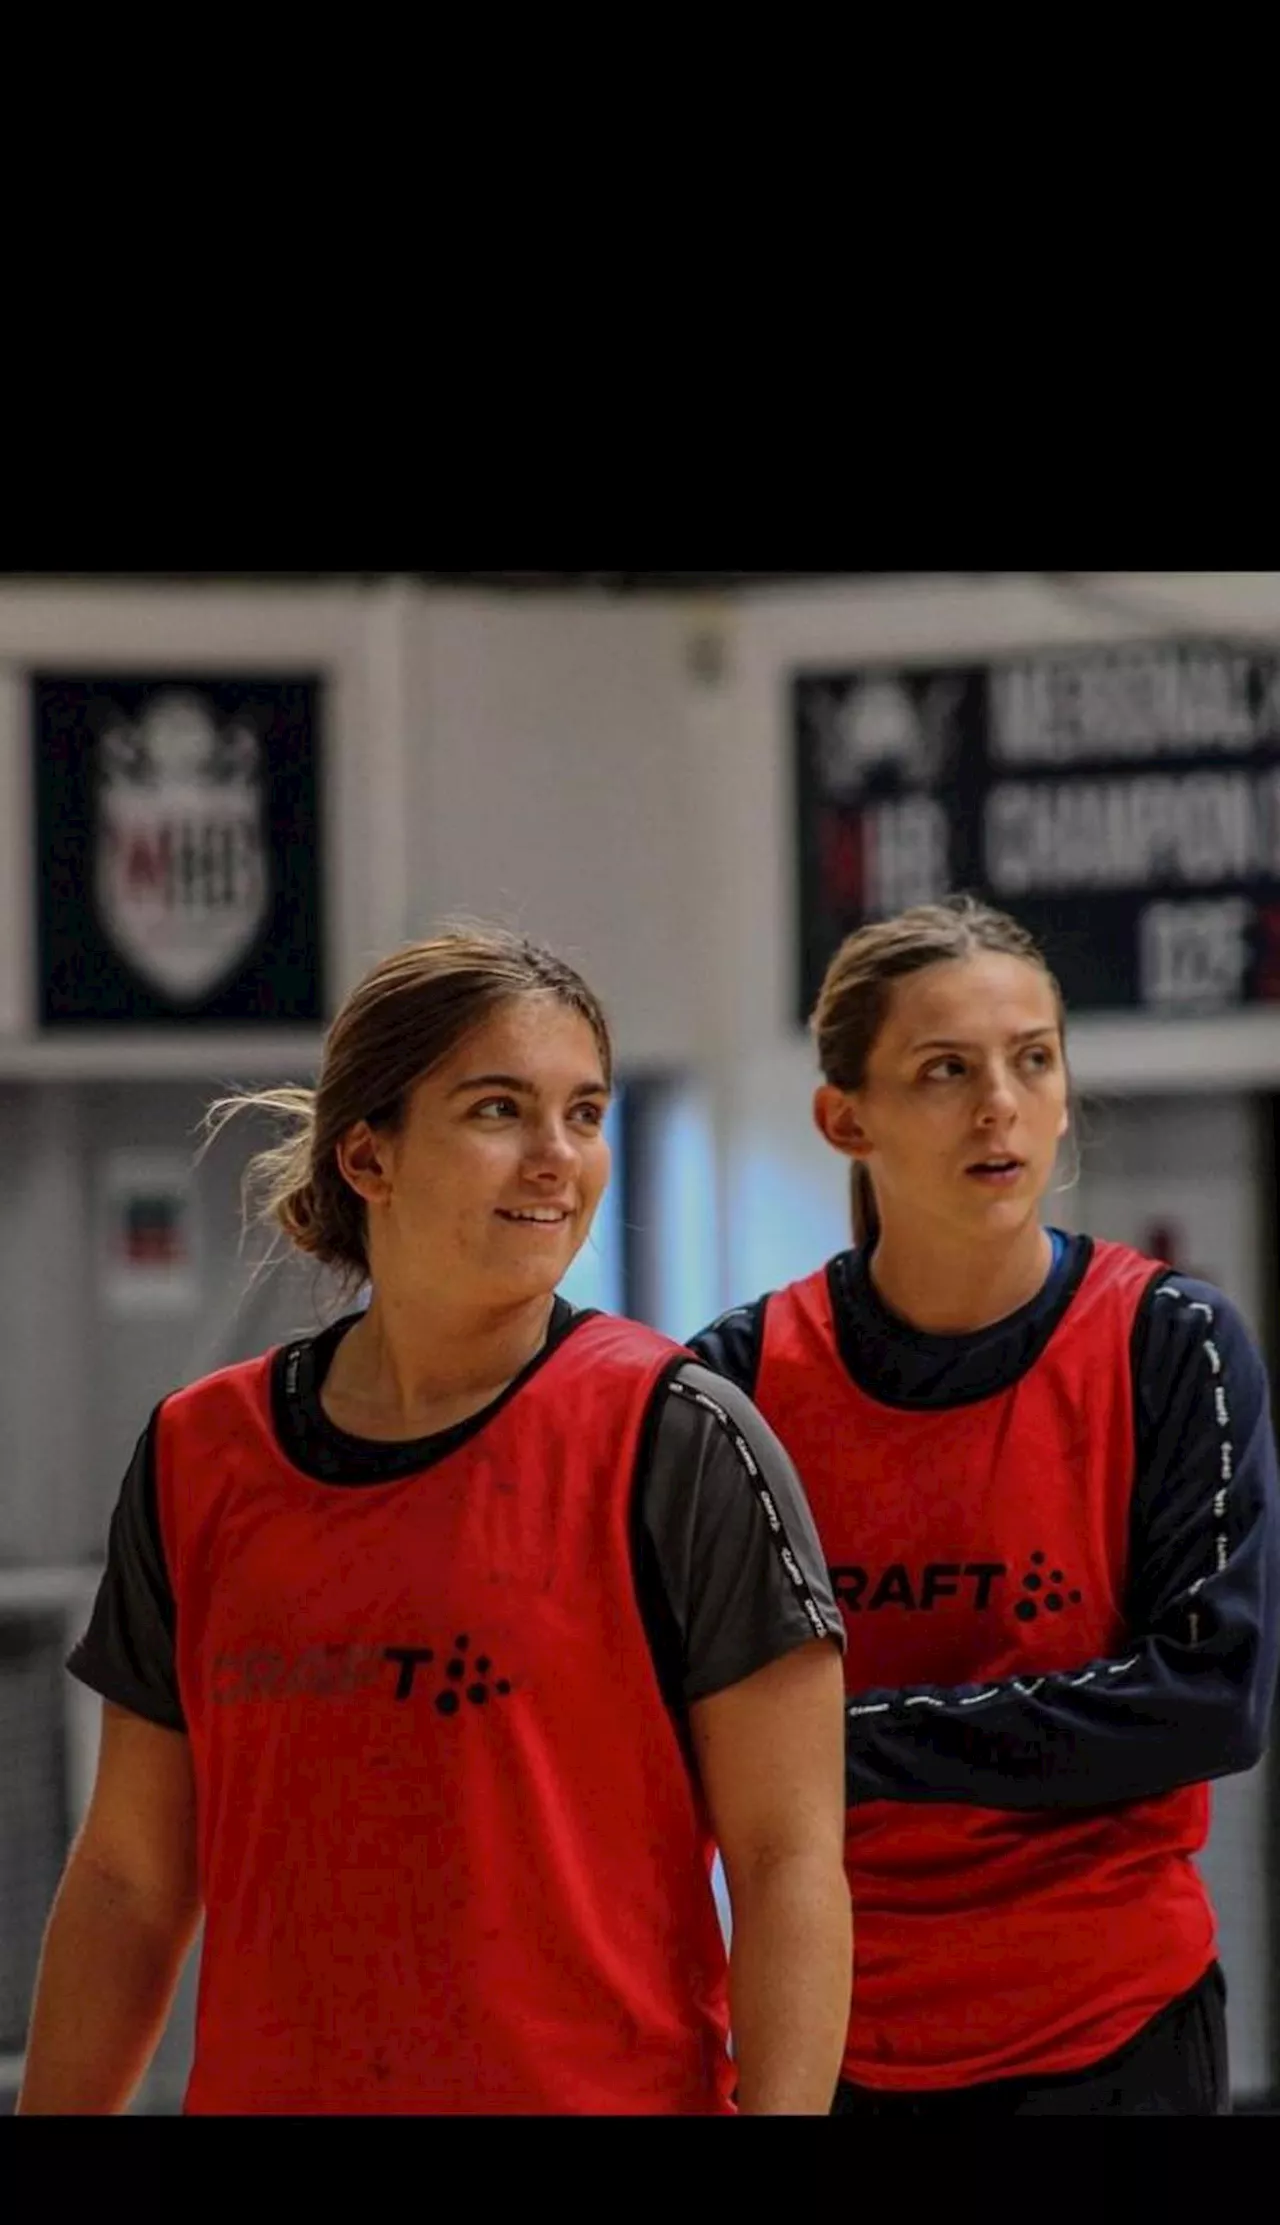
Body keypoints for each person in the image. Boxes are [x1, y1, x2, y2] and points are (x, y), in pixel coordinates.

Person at [19, 928, 851, 2116]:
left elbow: (788, 1863)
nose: (556, 1157)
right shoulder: (201, 1454)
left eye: (584, 1112)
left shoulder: (678, 1438)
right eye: (498, 1109)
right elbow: (128, 1878)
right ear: (367, 1153)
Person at [689, 896, 1280, 2115]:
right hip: (833, 2030)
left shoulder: (1171, 1343)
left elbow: (1208, 1700)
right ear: (844, 1116)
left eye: (1031, 1059)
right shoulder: (738, 1380)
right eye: (943, 1070)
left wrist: (837, 1744)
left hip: (1113, 2029)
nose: (997, 1103)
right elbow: (675, 1728)